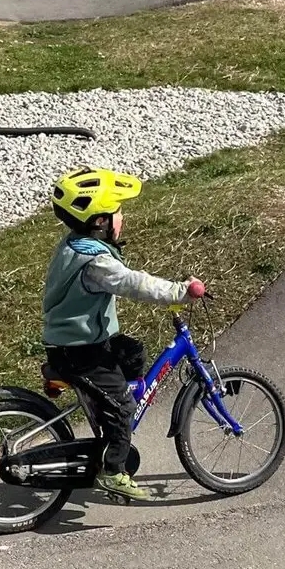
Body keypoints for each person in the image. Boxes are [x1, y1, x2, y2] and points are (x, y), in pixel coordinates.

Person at [41, 166, 205, 501]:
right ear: (99, 222)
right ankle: (113, 469)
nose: (122, 218)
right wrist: (179, 291)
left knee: (133, 353)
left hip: (81, 340)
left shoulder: (75, 244)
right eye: (117, 212)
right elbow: (134, 283)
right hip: (80, 349)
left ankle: (107, 421)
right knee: (124, 406)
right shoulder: (97, 263)